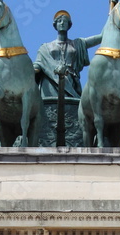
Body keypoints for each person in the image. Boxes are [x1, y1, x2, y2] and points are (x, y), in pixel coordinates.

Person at [33, 9, 102, 146]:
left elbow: (102, 37)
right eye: (59, 21)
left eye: (65, 21)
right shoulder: (45, 48)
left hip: (71, 82)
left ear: (69, 25)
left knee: (76, 110)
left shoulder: (77, 44)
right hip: (50, 83)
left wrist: (113, 14)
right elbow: (38, 64)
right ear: (55, 25)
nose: (62, 23)